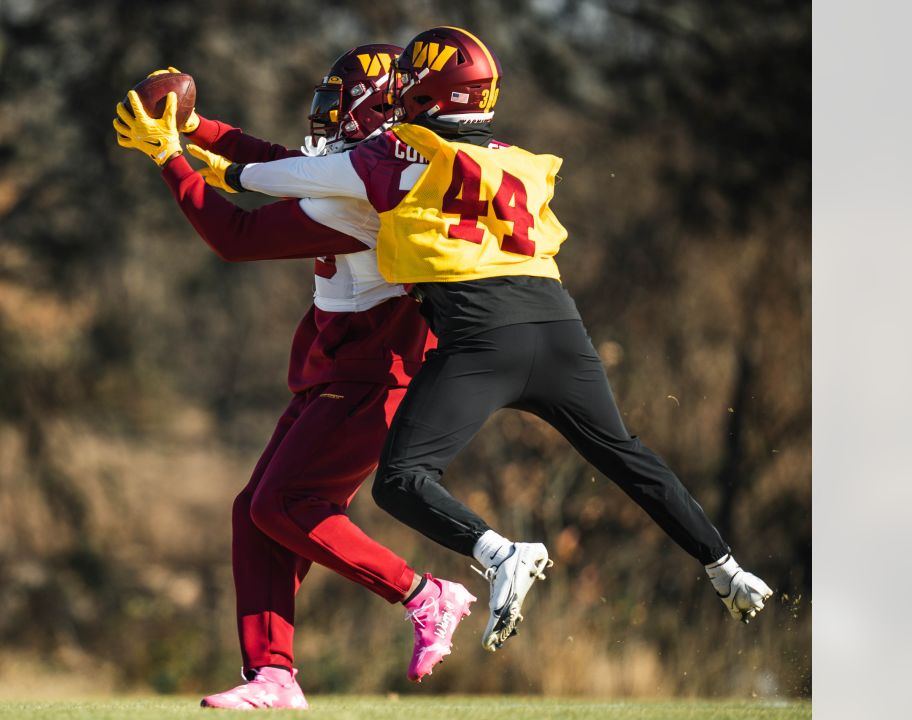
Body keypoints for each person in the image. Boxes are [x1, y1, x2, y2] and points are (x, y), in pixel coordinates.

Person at [176, 25, 775, 652]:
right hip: (560, 329)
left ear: (431, 96)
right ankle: (725, 566)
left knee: (401, 483)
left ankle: (497, 554)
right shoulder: (513, 156)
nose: (400, 91)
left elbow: (262, 182)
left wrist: (199, 158)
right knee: (626, 456)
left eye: (410, 81)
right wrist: (719, 561)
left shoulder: (395, 155)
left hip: (481, 339)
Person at [113, 47, 476, 710]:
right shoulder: (372, 162)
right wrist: (191, 129)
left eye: (339, 100)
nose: (325, 113)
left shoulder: (373, 189)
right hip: (341, 368)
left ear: (378, 105)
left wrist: (170, 159)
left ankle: (425, 596)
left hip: (375, 373)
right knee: (255, 516)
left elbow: (237, 235)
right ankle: (272, 675)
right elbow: (275, 160)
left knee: (281, 506)